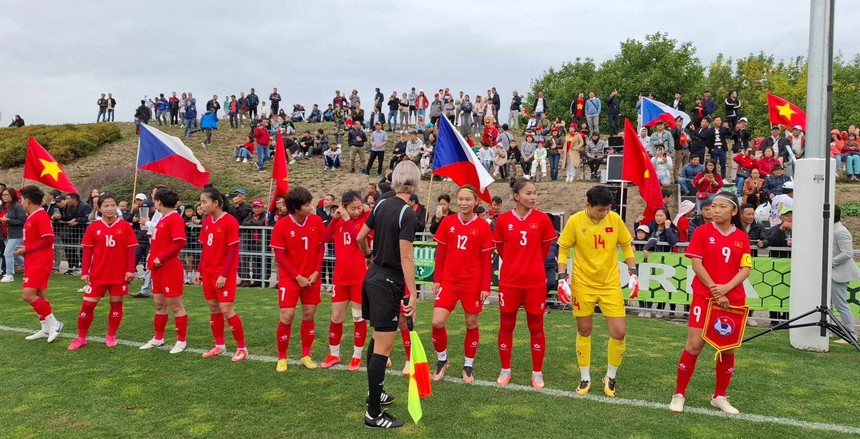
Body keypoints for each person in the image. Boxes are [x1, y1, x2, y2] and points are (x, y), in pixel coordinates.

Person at [670, 192, 751, 415]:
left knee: (727, 348)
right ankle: (679, 394)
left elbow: (746, 268)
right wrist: (717, 290)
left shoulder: (742, 237)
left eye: (721, 207)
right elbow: (697, 264)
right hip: (705, 297)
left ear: (734, 211)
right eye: (713, 206)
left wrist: (726, 288)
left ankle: (720, 396)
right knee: (694, 346)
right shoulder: (702, 232)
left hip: (732, 300)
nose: (715, 210)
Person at [355, 161, 421, 429]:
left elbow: (361, 237)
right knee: (383, 345)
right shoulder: (408, 214)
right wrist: (413, 294)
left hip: (372, 277)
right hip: (388, 282)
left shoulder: (381, 204)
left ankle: (376, 393)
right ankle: (373, 413)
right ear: (415, 183)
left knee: (376, 337)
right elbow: (406, 256)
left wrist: (369, 257)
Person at [557, 186, 636, 398]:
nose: (605, 213)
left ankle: (610, 375)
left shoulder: (615, 219)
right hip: (582, 284)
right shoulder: (575, 221)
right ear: (588, 206)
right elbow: (563, 249)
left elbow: (627, 245)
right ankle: (585, 376)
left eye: (608, 209)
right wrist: (562, 279)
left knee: (619, 332)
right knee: (584, 330)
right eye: (601, 210)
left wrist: (633, 271)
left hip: (610, 284)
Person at [492, 178, 556, 389]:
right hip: (510, 282)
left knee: (536, 327)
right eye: (529, 193)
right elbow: (501, 249)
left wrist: (531, 265)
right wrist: (515, 264)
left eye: (535, 193)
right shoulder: (502, 220)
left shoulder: (543, 219)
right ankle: (505, 369)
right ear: (516, 196)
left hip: (535, 283)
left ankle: (537, 373)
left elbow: (545, 250)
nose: (533, 197)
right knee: (506, 325)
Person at [430, 185, 494, 383]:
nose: (464, 203)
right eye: (461, 199)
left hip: (472, 284)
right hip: (449, 282)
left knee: (471, 323)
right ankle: (442, 361)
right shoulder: (448, 222)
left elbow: (486, 261)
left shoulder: (483, 226)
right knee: (437, 322)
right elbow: (440, 254)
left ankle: (468, 366)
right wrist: (437, 279)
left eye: (468, 199)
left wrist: (485, 286)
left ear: (476, 202)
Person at [68, 194, 138, 350]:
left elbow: (131, 250)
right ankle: (81, 338)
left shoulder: (125, 226)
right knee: (87, 306)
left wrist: (130, 270)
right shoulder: (93, 227)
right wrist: (85, 272)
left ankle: (111, 335)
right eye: (106, 206)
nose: (110, 209)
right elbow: (87, 252)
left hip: (118, 275)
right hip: (97, 274)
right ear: (99, 208)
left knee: (116, 305)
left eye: (113, 205)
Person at [270, 187, 325, 372]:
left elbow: (320, 248)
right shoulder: (281, 225)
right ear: (295, 208)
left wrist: (317, 271)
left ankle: (306, 355)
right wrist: (297, 276)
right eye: (307, 204)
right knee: (287, 316)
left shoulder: (317, 221)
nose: (310, 207)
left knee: (309, 315)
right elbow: (280, 256)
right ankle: (282, 358)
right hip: (290, 278)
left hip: (312, 278)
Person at [319, 191, 371, 370]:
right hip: (340, 278)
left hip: (359, 277)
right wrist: (335, 219)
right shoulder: (339, 221)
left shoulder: (366, 219)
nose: (356, 211)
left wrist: (349, 218)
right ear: (344, 207)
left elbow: (359, 239)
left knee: (358, 318)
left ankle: (356, 356)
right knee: (336, 317)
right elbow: (324, 238)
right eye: (352, 208)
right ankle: (334, 354)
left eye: (358, 207)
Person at [193, 188, 247, 362]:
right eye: (201, 202)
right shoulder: (207, 221)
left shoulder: (229, 221)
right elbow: (205, 249)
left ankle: (242, 348)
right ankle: (219, 345)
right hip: (208, 272)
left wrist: (224, 274)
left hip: (223, 273)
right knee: (213, 308)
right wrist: (199, 270)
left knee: (226, 309)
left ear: (215, 203)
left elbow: (233, 251)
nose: (201, 206)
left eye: (204, 202)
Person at [138, 188, 188, 354]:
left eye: (155, 200)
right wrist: (152, 255)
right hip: (157, 268)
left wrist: (161, 257)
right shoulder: (162, 219)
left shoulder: (175, 219)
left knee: (175, 306)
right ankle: (158, 338)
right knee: (159, 304)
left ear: (159, 202)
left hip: (169, 267)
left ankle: (181, 341)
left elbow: (179, 243)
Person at [15, 186, 64, 342]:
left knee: (28, 295)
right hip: (33, 259)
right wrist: (25, 249)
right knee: (39, 295)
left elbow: (49, 238)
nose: (21, 202)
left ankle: (55, 324)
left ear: (28, 201)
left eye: (21, 199)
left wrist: (28, 248)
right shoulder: (33, 215)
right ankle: (45, 328)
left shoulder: (40, 216)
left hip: (40, 261)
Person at [831, 206, 859, 342]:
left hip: (839, 273)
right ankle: (828, 330)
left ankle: (851, 335)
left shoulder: (841, 231)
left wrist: (830, 263)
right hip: (832, 273)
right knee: (828, 303)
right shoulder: (833, 229)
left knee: (840, 304)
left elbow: (847, 253)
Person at [0, 188, 26, 283]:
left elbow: (22, 221)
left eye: (7, 195)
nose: (5, 197)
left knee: (7, 253)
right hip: (5, 234)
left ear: (12, 196)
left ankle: (9, 274)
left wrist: (8, 220)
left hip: (16, 234)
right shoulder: (2, 206)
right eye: (3, 195)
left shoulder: (18, 206)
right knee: (14, 255)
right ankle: (29, 267)